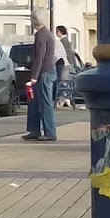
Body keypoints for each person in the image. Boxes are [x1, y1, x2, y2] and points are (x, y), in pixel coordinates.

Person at [22, 9, 58, 142]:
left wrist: (34, 77)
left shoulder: (41, 35)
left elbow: (40, 57)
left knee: (44, 103)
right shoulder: (46, 34)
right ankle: (34, 130)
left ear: (35, 20)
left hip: (44, 73)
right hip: (47, 71)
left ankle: (49, 132)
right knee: (34, 102)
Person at [55, 25, 78, 108]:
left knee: (64, 82)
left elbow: (62, 54)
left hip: (64, 64)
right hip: (70, 64)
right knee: (68, 83)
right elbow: (72, 54)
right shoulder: (68, 42)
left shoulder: (62, 42)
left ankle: (64, 99)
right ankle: (67, 99)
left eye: (57, 31)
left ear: (59, 32)